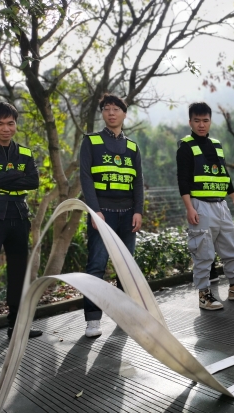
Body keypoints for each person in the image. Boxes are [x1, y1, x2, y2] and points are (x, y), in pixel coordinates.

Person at [176, 102, 234, 310]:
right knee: (203, 253)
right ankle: (204, 295)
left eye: (205, 120)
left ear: (210, 121)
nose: (201, 125)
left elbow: (223, 174)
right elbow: (182, 180)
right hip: (200, 206)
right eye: (197, 121)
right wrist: (189, 208)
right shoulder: (185, 146)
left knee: (231, 249)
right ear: (190, 122)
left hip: (221, 205)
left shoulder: (216, 145)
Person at [80, 93, 144, 337]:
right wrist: (94, 210)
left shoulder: (132, 147)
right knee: (96, 265)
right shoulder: (91, 141)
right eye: (107, 108)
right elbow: (86, 177)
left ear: (124, 114)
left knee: (126, 268)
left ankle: (125, 316)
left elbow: (138, 182)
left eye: (116, 109)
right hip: (103, 212)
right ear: (102, 113)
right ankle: (92, 320)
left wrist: (138, 210)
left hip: (128, 214)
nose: (111, 113)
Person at [0, 101, 42, 356]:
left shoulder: (25, 153)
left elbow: (34, 181)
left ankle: (17, 328)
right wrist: (16, 176)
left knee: (19, 274)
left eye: (10, 123)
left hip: (19, 217)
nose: (6, 128)